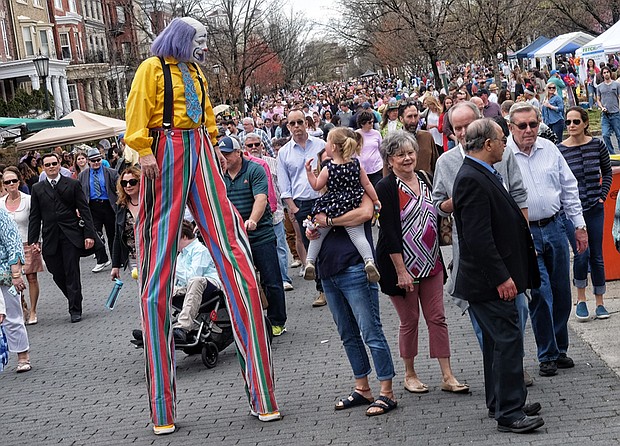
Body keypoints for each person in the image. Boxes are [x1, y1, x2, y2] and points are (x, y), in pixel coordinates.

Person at [124, 17, 280, 434]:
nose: (206, 47)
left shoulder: (194, 71)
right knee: (157, 267)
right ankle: (162, 408)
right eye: (201, 40)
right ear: (182, 38)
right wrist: (143, 152)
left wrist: (213, 147)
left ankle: (263, 395)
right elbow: (137, 114)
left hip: (201, 148)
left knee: (235, 254)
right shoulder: (151, 69)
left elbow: (207, 115)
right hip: (166, 148)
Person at [453, 118, 543, 433]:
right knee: (507, 340)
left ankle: (502, 401)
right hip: (489, 283)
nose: (505, 144)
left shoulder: (481, 173)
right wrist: (502, 277)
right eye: (502, 139)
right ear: (488, 143)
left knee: (496, 342)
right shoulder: (472, 178)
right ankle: (509, 412)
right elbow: (477, 239)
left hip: (491, 280)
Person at [376, 130, 469, 396]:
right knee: (410, 320)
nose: (407, 158)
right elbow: (389, 232)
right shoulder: (386, 187)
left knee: (437, 318)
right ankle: (410, 373)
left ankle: (447, 375)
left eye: (410, 152)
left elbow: (438, 213)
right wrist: (401, 271)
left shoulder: (426, 179)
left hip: (431, 262)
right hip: (401, 267)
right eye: (400, 155)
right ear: (390, 160)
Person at [508, 102, 587, 378]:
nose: (529, 130)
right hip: (525, 233)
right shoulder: (504, 155)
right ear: (511, 127)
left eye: (533, 124)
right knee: (540, 293)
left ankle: (560, 347)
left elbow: (569, 187)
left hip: (554, 226)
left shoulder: (550, 149)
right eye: (522, 126)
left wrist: (579, 225)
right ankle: (547, 354)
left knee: (561, 291)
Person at [309, 194, 397, 417]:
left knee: (371, 332)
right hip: (328, 272)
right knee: (348, 334)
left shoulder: (359, 192)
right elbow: (314, 227)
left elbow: (365, 214)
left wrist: (328, 221)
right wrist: (312, 230)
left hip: (355, 269)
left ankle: (387, 392)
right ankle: (363, 388)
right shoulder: (323, 199)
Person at [220, 136, 288, 336]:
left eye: (227, 154)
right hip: (234, 237)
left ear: (238, 152)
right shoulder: (218, 174)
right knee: (240, 282)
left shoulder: (254, 170)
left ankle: (277, 321)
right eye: (221, 154)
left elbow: (261, 198)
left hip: (260, 234)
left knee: (271, 280)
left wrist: (252, 220)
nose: (224, 158)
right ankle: (249, 322)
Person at [303, 127, 381, 283]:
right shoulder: (356, 165)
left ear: (332, 147)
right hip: (352, 204)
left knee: (317, 234)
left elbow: (317, 186)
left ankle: (310, 262)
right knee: (359, 236)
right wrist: (375, 199)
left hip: (331, 205)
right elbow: (367, 184)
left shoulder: (328, 168)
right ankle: (369, 261)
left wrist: (309, 173)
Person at [28, 153, 98, 324]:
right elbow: (35, 216)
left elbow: (84, 210)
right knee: (55, 271)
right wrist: (33, 240)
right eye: (47, 164)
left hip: (70, 235)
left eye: (54, 163)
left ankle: (75, 309)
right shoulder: (37, 188)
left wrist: (89, 234)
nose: (51, 167)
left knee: (72, 271)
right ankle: (74, 296)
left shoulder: (72, 184)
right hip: (50, 236)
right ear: (43, 167)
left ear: (59, 164)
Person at [558, 107, 612, 320]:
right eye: (568, 122)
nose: (571, 126)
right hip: (572, 212)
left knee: (597, 256)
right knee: (582, 254)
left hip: (594, 207)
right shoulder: (560, 149)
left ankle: (600, 301)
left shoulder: (597, 145)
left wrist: (602, 196)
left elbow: (607, 172)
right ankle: (581, 299)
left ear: (585, 123)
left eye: (575, 122)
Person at [277, 109, 327, 307]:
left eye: (300, 122)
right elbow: (284, 184)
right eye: (293, 123)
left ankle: (335, 284)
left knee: (330, 242)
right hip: (302, 204)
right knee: (311, 246)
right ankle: (321, 290)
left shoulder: (321, 145)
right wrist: (293, 208)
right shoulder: (284, 152)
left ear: (306, 123)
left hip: (322, 199)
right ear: (288, 126)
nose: (297, 126)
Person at [0, 167, 44, 326]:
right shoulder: (0, 204)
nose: (11, 184)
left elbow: (37, 221)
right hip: (8, 248)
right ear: (4, 185)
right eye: (7, 182)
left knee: (31, 277)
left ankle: (33, 310)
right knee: (13, 279)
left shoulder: (28, 199)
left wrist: (37, 241)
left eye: (14, 181)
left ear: (19, 182)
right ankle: (21, 306)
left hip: (27, 241)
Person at [171, 221, 222, 344]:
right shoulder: (180, 255)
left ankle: (183, 326)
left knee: (195, 280)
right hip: (188, 288)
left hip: (208, 286)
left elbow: (193, 276)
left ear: (183, 236)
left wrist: (173, 268)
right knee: (160, 289)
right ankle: (156, 329)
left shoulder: (200, 250)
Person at [78, 147, 119, 273]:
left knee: (112, 233)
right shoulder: (83, 175)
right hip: (92, 206)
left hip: (108, 205)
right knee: (95, 233)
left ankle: (116, 260)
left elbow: (118, 189)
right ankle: (102, 259)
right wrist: (79, 207)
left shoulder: (111, 173)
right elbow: (79, 193)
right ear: (88, 161)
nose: (96, 163)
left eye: (98, 160)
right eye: (93, 161)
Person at [110, 166, 141, 282]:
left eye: (132, 182)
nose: (128, 186)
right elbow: (118, 236)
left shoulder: (149, 202)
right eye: (124, 183)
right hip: (133, 257)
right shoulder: (121, 206)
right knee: (142, 289)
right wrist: (115, 265)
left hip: (153, 254)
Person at [355, 110, 384, 187]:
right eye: (369, 122)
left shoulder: (376, 133)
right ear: (362, 123)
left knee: (378, 188)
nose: (372, 124)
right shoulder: (356, 135)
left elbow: (381, 148)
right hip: (361, 170)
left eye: (372, 122)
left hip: (377, 168)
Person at [596, 66, 620, 154]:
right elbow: (598, 99)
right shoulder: (599, 87)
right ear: (602, 75)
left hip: (615, 113)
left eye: (607, 72)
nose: (606, 74)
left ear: (610, 73)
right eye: (604, 73)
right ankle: (612, 153)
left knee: (619, 135)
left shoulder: (616, 85)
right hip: (605, 114)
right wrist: (602, 107)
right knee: (605, 135)